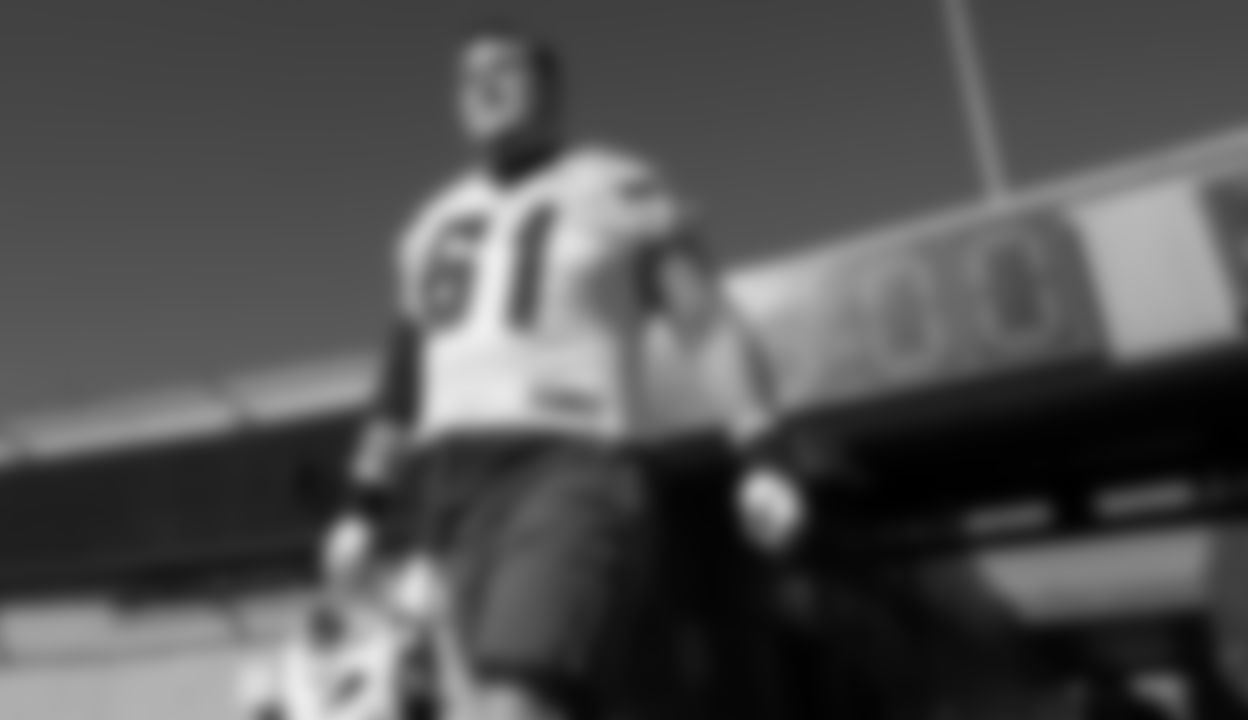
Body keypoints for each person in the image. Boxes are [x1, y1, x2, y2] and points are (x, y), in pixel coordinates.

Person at [340, 16, 841, 720]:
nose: (483, 87)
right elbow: (400, 381)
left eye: (504, 70)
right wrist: (363, 505)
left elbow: (705, 324)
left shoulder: (621, 187)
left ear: (551, 89)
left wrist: (763, 452)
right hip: (450, 494)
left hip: (569, 464)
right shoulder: (427, 228)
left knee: (517, 702)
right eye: (469, 78)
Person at [237, 517, 425, 720]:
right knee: (256, 677)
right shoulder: (318, 634)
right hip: (336, 697)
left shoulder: (387, 632)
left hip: (361, 694)